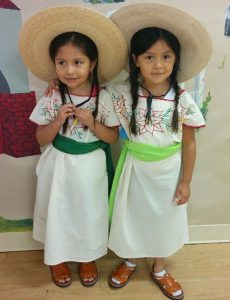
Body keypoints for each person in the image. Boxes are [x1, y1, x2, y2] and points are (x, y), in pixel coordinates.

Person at [106, 3, 212, 300]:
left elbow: (190, 142)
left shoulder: (183, 99)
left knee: (162, 219)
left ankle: (159, 267)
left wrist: (186, 181)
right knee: (133, 216)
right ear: (135, 60)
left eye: (166, 56)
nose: (158, 64)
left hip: (167, 173)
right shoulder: (124, 94)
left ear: (175, 59)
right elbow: (95, 94)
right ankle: (129, 259)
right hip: (135, 169)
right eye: (149, 57)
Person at [18, 5, 127, 288]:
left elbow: (113, 138)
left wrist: (92, 123)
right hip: (59, 166)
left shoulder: (103, 97)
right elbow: (40, 138)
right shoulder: (53, 94)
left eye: (78, 62)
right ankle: (57, 258)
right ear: (54, 65)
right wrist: (56, 122)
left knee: (88, 212)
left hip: (90, 166)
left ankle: (87, 256)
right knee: (59, 211)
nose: (69, 69)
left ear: (92, 63)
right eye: (61, 62)